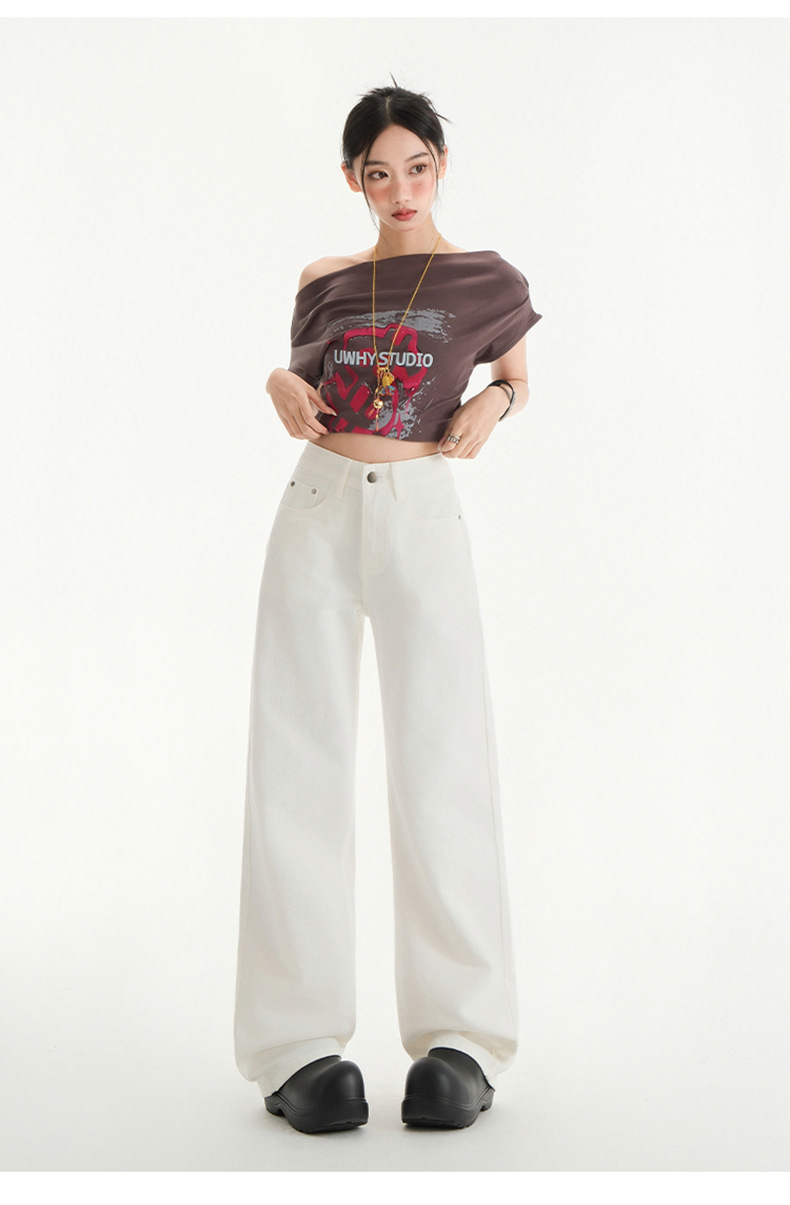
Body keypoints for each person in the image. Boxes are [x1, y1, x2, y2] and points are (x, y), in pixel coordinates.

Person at [233, 84, 542, 1135]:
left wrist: (493, 400)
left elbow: (517, 377)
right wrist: (276, 380)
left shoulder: (488, 277)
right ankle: (295, 1048)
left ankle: (464, 1039)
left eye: (416, 167)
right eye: (378, 172)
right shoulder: (324, 279)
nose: (400, 189)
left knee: (444, 757)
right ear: (352, 178)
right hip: (318, 505)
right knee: (296, 758)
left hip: (421, 507)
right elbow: (306, 382)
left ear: (440, 165)